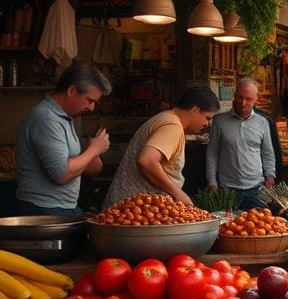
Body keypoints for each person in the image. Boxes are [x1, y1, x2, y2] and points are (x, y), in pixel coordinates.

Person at [15, 63, 112, 216]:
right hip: (43, 209)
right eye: (89, 100)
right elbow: (61, 174)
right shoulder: (46, 118)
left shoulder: (64, 118)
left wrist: (92, 147)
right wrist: (94, 149)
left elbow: (94, 169)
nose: (92, 108)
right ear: (71, 91)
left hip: (61, 207)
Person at [106, 85, 219, 206]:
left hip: (132, 208)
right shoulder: (172, 126)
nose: (207, 124)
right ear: (194, 110)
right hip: (132, 211)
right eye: (207, 118)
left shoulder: (166, 118)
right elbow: (147, 160)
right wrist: (177, 193)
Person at [205, 78, 277, 210]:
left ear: (257, 99)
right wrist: (212, 182)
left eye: (248, 99)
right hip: (227, 190)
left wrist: (270, 178)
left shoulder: (263, 122)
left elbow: (268, 153)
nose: (243, 103)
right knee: (229, 227)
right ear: (234, 95)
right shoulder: (219, 121)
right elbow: (212, 153)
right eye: (240, 97)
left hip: (256, 189)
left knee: (258, 227)